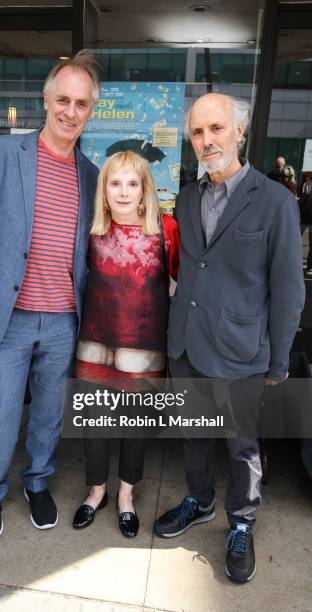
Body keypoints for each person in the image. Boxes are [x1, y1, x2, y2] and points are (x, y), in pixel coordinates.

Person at [153, 93, 305, 583]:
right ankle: (199, 501)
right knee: (194, 435)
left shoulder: (277, 200)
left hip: (242, 352)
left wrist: (278, 360)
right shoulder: (189, 195)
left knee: (243, 448)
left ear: (239, 132)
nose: (206, 140)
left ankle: (241, 521)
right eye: (197, 132)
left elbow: (286, 288)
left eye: (216, 129)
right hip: (188, 344)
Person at [0, 51, 100, 540]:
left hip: (63, 321)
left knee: (49, 416)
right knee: (1, 414)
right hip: (6, 315)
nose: (70, 111)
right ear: (46, 100)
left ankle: (37, 483)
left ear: (90, 110)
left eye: (81, 103)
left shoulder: (91, 175)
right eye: (63, 99)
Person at [72, 151, 179, 538]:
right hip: (95, 346)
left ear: (144, 190)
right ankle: (96, 490)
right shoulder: (91, 230)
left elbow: (182, 286)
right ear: (104, 190)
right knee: (94, 424)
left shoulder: (166, 230)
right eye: (114, 183)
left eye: (132, 183)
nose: (123, 191)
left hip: (145, 348)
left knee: (135, 427)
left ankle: (126, 497)